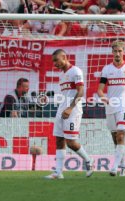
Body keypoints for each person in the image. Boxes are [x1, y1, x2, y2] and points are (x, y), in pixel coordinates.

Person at [45, 49, 94, 179]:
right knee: (59, 140)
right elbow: (66, 94)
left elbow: (81, 92)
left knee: (71, 142)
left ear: (64, 57)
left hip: (73, 110)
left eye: (56, 60)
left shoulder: (76, 71)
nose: (55, 63)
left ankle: (89, 160)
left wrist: (70, 108)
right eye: (53, 61)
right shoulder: (62, 75)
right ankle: (58, 173)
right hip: (62, 109)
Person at [97, 40, 125, 177]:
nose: (117, 53)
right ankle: (122, 165)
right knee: (115, 136)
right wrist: (103, 97)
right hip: (110, 106)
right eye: (115, 51)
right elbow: (100, 90)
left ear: (124, 52)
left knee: (121, 134)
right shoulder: (107, 69)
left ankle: (114, 168)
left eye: (120, 51)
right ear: (112, 52)